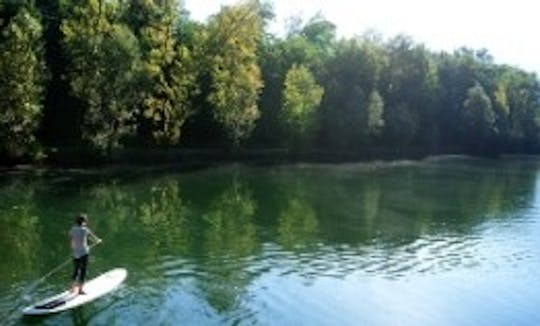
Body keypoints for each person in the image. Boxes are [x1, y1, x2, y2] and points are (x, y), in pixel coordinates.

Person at [69, 213, 101, 295]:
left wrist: (75, 250)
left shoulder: (72, 230)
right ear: (84, 222)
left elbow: (72, 242)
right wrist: (98, 241)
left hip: (75, 253)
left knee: (75, 270)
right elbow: (93, 238)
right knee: (83, 271)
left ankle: (72, 288)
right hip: (84, 253)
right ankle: (80, 290)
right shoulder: (85, 230)